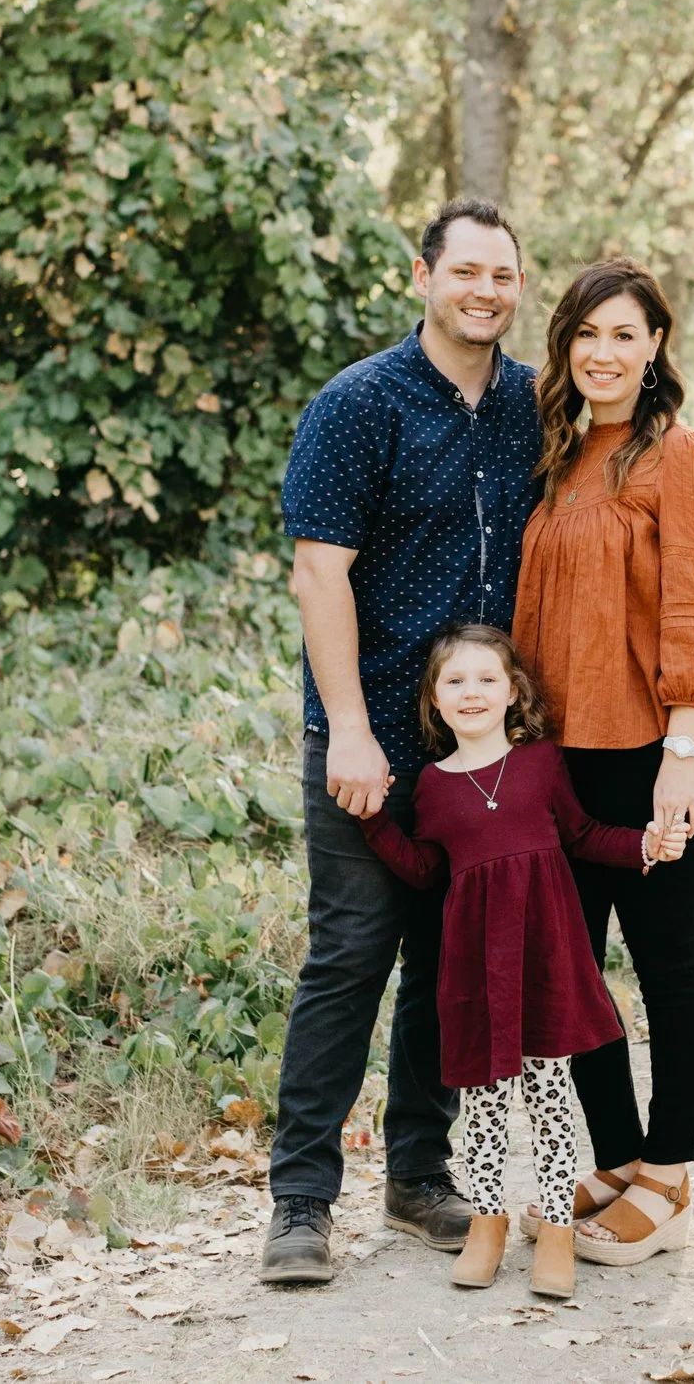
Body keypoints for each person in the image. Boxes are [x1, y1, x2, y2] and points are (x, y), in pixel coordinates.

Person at [259, 199, 543, 1286]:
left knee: (446, 963)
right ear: (422, 276)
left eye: (502, 275)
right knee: (350, 957)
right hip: (369, 735)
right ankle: (300, 1201)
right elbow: (317, 572)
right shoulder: (358, 404)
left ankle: (419, 1175)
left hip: (482, 749)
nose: (484, 291)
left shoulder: (532, 407)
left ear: (518, 289)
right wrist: (348, 729)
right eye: (465, 271)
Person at [511, 256, 694, 1268]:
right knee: (571, 971)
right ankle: (616, 1157)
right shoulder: (560, 458)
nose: (602, 352)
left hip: (656, 752)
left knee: (665, 962)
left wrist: (682, 754)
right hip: (563, 760)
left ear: (654, 347)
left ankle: (670, 1173)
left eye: (623, 334)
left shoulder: (683, 457)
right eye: (586, 333)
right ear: (565, 345)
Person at [354, 626, 688, 1297]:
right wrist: (372, 819)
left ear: (513, 692)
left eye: (487, 679)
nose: (472, 692)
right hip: (477, 972)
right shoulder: (432, 786)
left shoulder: (541, 763)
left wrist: (644, 847)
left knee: (550, 1101)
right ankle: (488, 1227)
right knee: (481, 1109)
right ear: (434, 699)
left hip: (544, 963)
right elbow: (423, 870)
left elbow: (583, 835)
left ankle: (557, 1231)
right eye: (455, 681)